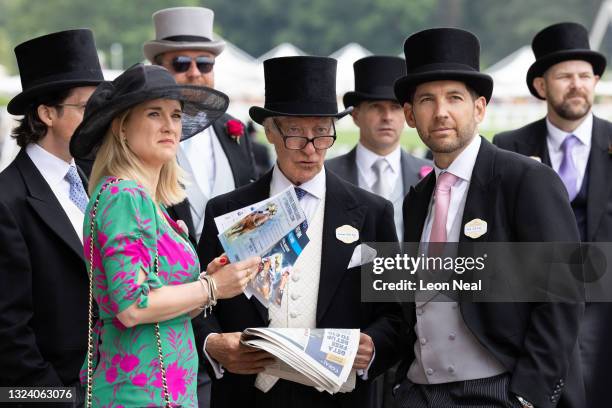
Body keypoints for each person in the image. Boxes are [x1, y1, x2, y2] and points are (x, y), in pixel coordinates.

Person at [392, 28, 584, 408]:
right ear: (411, 115)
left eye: (455, 98)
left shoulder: (526, 180)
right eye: (427, 100)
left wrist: (528, 395)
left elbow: (563, 292)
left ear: (479, 108)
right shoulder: (416, 199)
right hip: (417, 392)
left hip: (496, 393)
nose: (441, 111)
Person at [196, 56, 403, 408]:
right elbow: (200, 301)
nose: (310, 148)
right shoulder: (227, 210)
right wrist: (212, 343)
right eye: (295, 133)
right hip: (247, 395)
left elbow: (396, 314)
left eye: (322, 133)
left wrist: (374, 345)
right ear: (271, 132)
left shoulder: (371, 212)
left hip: (339, 396)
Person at [68, 63, 261, 407]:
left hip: (165, 390)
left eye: (175, 115)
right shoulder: (124, 195)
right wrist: (212, 287)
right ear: (122, 126)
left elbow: (162, 311)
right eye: (154, 113)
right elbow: (131, 307)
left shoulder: (147, 201)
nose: (170, 125)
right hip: (138, 394)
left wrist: (205, 284)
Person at [492, 23, 612, 407]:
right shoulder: (508, 147)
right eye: (564, 76)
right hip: (535, 302)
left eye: (584, 76)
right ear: (542, 86)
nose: (576, 85)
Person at [0, 29, 104, 397]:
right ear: (46, 113)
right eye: (86, 107)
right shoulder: (8, 199)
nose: (99, 118)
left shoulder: (96, 180)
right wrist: (60, 399)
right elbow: (9, 330)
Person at [144, 6, 257, 243]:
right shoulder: (142, 133)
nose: (195, 73)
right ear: (157, 67)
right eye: (181, 63)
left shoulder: (233, 129)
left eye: (205, 64)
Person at [327, 55, 431, 239]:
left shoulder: (431, 175)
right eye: (376, 107)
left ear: (408, 114)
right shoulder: (327, 174)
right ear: (356, 115)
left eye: (395, 107)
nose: (387, 117)